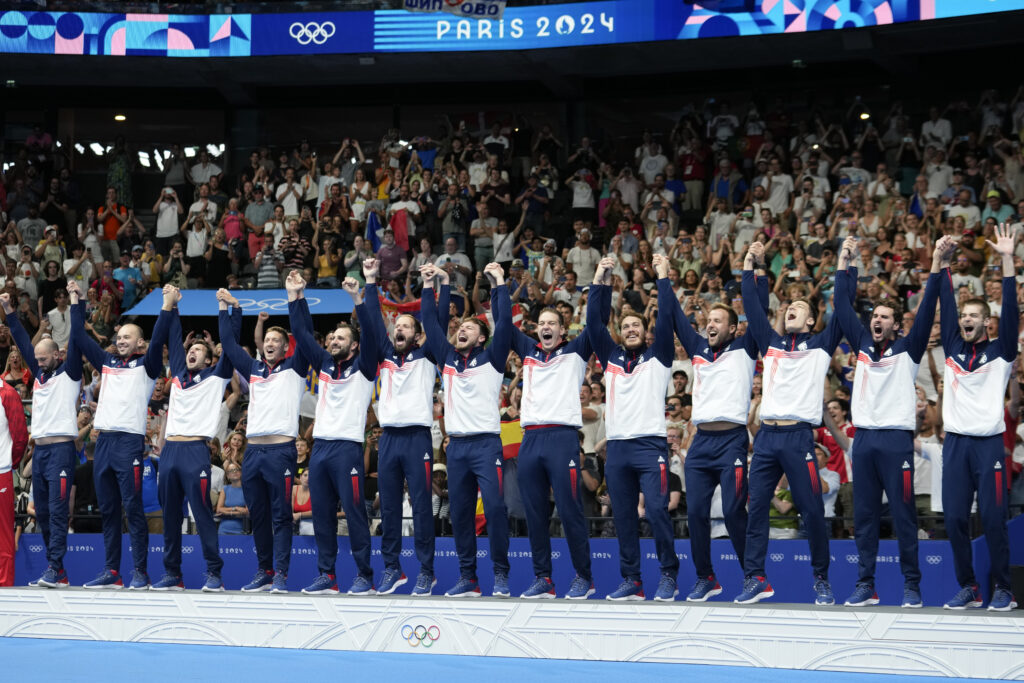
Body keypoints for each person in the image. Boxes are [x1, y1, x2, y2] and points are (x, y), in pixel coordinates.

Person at [833, 234, 951, 608]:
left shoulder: (908, 349)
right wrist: (845, 261)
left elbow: (930, 304)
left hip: (897, 441)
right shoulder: (862, 346)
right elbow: (840, 305)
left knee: (903, 516)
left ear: (897, 325)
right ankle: (866, 584)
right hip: (864, 441)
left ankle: (911, 585)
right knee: (864, 517)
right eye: (875, 316)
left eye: (885, 316)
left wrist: (934, 263)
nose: (877, 319)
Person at [736, 240, 842, 605]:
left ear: (812, 320)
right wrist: (752, 266)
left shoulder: (822, 345)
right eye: (790, 306)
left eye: (801, 306)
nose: (792, 308)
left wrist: (844, 266)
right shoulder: (772, 343)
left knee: (811, 509)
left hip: (799, 437)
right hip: (765, 438)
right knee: (756, 508)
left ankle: (822, 579)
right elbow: (752, 306)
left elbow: (841, 310)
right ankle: (755, 578)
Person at [669, 261, 768, 602]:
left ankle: (754, 576)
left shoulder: (745, 347)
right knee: (695, 513)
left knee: (732, 512)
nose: (710, 325)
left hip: (732, 443)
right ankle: (705, 577)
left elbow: (760, 310)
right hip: (700, 444)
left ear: (734, 328)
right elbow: (676, 317)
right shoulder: (697, 349)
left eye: (717, 321)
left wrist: (753, 271)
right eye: (708, 320)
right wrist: (664, 277)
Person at [587, 254, 678, 601]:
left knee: (655, 510)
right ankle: (632, 580)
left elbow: (668, 317)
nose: (630, 330)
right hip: (618, 448)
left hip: (650, 445)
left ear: (645, 331)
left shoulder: (660, 356)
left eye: (636, 326)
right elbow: (595, 326)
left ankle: (669, 573)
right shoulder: (610, 358)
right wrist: (600, 281)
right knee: (623, 515)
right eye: (625, 327)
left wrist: (663, 277)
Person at [419, 261, 512, 599]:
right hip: (456, 448)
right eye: (461, 328)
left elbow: (504, 325)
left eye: (470, 328)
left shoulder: (492, 357)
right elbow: (429, 322)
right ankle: (468, 578)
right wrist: (430, 285)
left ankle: (500, 574)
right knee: (459, 515)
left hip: (486, 446)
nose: (462, 329)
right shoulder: (447, 359)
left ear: (482, 337)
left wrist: (499, 282)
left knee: (495, 509)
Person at [69, 280, 170, 590]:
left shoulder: (147, 365)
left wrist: (166, 306)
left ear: (140, 343)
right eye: (119, 336)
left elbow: (159, 340)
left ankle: (140, 571)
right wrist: (76, 299)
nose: (121, 339)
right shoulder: (108, 363)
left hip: (128, 444)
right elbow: (79, 337)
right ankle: (112, 571)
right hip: (104, 444)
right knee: (109, 510)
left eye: (128, 336)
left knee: (133, 508)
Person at [937, 223, 1018, 611]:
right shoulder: (952, 346)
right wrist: (944, 263)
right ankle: (969, 586)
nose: (966, 318)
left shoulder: (1002, 350)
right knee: (953, 518)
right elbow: (945, 300)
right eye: (963, 313)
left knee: (994, 517)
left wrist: (1006, 260)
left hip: (988, 446)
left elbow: (1013, 314)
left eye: (975, 315)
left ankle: (1003, 586)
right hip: (954, 446)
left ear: (986, 322)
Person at [510, 279, 603, 600]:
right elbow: (505, 326)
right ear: (536, 330)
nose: (546, 328)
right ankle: (543, 578)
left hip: (562, 438)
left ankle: (584, 576)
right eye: (542, 324)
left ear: (563, 331)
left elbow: (596, 322)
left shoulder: (575, 351)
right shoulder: (529, 352)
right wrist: (497, 284)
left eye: (553, 324)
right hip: (530, 439)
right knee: (534, 512)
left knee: (569, 509)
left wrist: (599, 285)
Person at [286, 270, 377, 595]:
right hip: (320, 449)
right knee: (321, 516)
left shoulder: (365, 367)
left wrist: (358, 300)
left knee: (353, 515)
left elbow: (374, 333)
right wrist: (296, 296)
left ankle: (364, 575)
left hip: (348, 449)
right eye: (332, 338)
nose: (334, 341)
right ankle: (327, 575)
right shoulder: (324, 364)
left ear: (353, 345)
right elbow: (301, 333)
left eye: (341, 338)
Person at [362, 258, 448, 595]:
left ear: (418, 335)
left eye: (406, 326)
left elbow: (436, 320)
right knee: (390, 506)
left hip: (417, 439)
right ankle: (392, 569)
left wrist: (428, 286)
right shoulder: (385, 355)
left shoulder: (427, 354)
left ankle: (427, 571)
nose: (399, 328)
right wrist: (370, 280)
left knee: (423, 506)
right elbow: (371, 321)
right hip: (389, 440)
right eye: (397, 325)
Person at [217, 287, 311, 593]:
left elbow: (304, 331)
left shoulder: (295, 367)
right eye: (266, 341)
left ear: (286, 347)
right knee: (257, 515)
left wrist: (295, 297)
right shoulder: (254, 369)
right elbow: (229, 345)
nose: (270, 344)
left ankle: (281, 573)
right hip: (253, 452)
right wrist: (229, 309)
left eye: (276, 341)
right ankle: (264, 570)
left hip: (282, 450)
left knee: (281, 515)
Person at [149, 284, 241, 593]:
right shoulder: (177, 373)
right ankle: (172, 574)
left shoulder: (217, 375)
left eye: (199, 350)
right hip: (170, 450)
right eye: (191, 349)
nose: (191, 352)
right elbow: (175, 340)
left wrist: (227, 310)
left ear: (209, 358)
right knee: (171, 516)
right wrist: (173, 305)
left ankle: (214, 574)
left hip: (196, 451)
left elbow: (230, 345)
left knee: (202, 515)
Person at [2, 291, 81, 588]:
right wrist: (9, 310)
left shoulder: (70, 372)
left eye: (43, 357)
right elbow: (23, 343)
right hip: (41, 453)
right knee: (44, 513)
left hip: (61, 449)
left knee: (59, 511)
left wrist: (76, 303)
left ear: (57, 355)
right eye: (36, 359)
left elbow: (77, 341)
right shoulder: (39, 376)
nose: (38, 362)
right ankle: (57, 571)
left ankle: (55, 567)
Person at [0, 377, 27, 586]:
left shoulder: (8, 394)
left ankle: (4, 586)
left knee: (3, 534)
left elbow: (20, 438)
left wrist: (9, 464)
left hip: (1, 472)